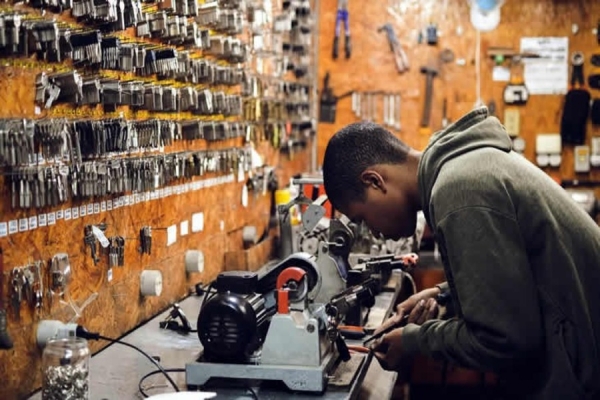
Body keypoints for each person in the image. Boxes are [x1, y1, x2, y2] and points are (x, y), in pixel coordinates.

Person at [321, 107, 600, 400]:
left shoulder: (459, 192)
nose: (373, 232)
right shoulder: (464, 168)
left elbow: (506, 339)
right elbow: (515, 276)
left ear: (375, 181)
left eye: (363, 218)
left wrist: (413, 341)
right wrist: (443, 294)